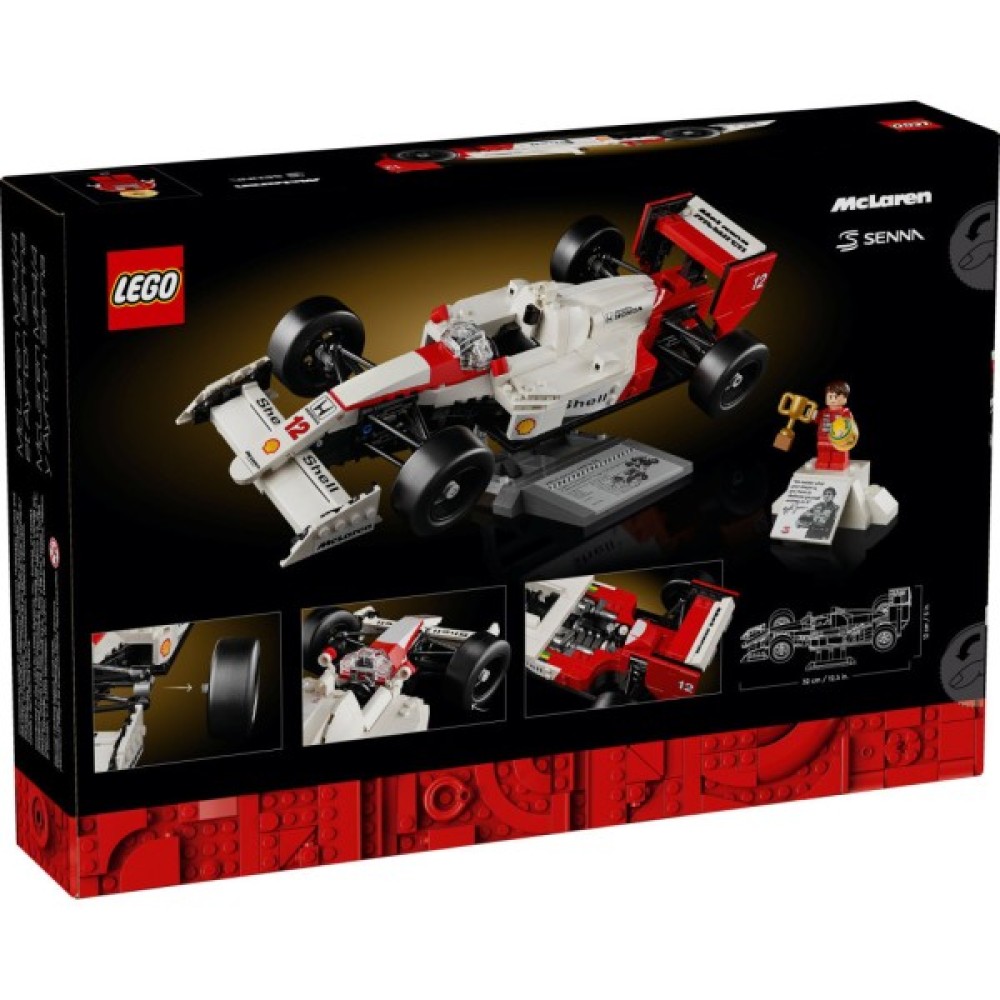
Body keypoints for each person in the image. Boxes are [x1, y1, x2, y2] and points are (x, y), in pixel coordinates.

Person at [812, 380, 857, 471]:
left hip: (839, 440)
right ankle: (823, 462)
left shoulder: (845, 413)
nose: (832, 399)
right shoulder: (823, 412)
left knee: (839, 453)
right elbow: (817, 419)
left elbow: (850, 425)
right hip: (823, 439)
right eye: (830, 396)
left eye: (836, 397)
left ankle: (839, 463)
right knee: (823, 452)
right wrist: (813, 415)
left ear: (845, 399)